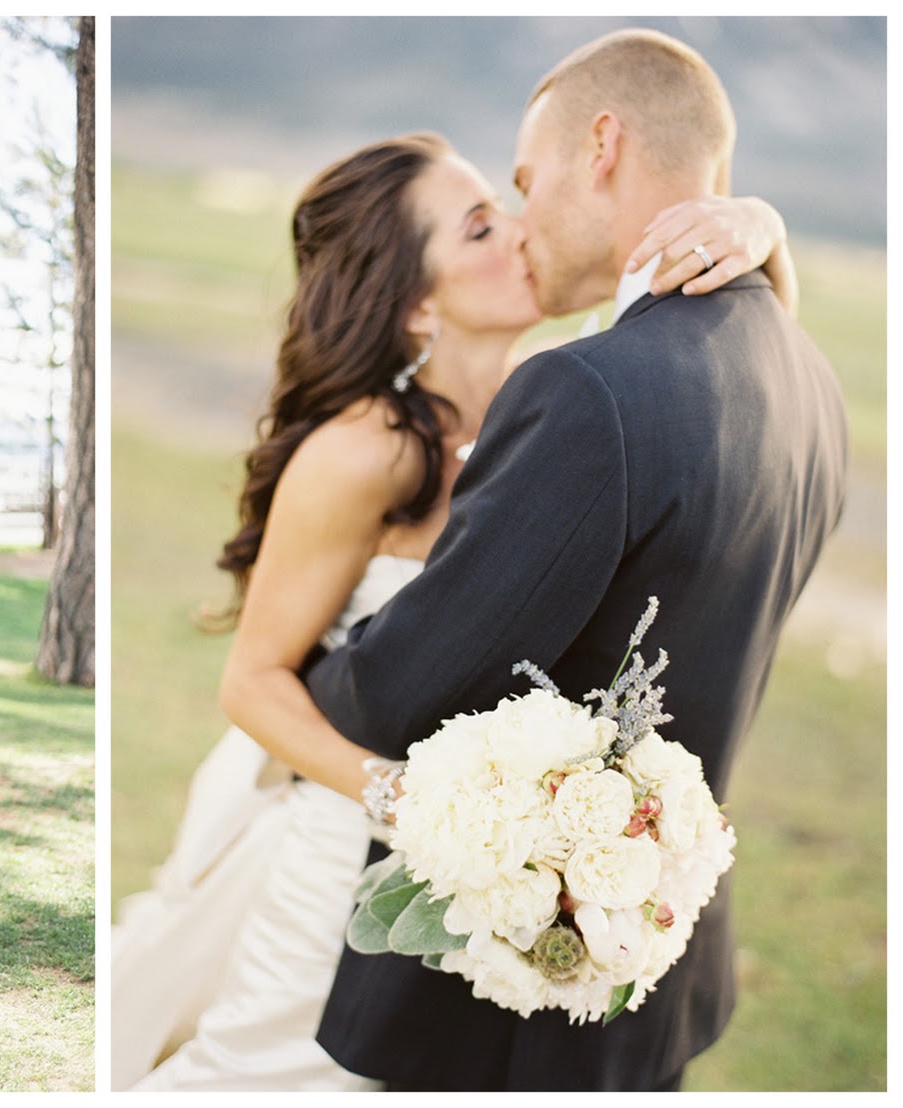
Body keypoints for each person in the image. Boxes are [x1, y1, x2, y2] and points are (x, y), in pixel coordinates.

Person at [115, 130, 803, 1096]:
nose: (519, 232)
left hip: (470, 876)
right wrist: (410, 804)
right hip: (340, 816)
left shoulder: (568, 395)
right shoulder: (368, 451)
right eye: (479, 226)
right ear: (415, 302)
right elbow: (252, 680)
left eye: (504, 205)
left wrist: (759, 229)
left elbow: (726, 382)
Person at [300, 30, 846, 1091]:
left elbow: (399, 688)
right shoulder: (807, 373)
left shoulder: (586, 391)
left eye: (523, 178)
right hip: (657, 972)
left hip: (508, 1003)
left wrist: (316, 657)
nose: (520, 217)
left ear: (600, 144)